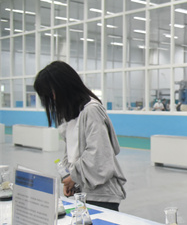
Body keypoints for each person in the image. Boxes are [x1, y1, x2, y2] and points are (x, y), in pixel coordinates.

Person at [33, 61, 126, 211]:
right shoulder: (71, 115)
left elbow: (98, 155)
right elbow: (71, 153)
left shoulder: (91, 110)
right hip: (82, 191)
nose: (53, 99)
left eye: (52, 93)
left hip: (101, 195)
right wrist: (69, 179)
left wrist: (74, 177)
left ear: (64, 86)